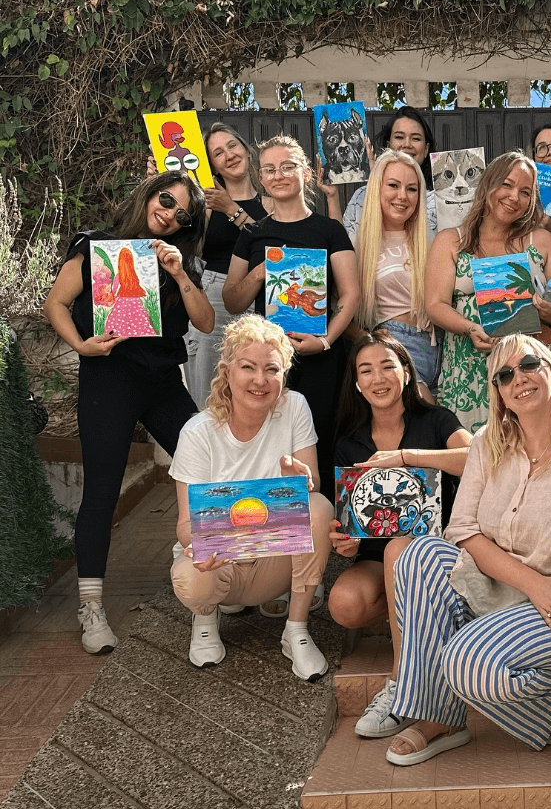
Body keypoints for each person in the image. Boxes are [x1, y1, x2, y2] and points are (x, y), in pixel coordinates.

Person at [376, 334, 551, 765]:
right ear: (498, 392)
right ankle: (440, 718)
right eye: (505, 375)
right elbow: (463, 530)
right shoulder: (487, 442)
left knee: (465, 663)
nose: (519, 379)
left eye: (529, 365)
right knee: (417, 556)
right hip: (503, 586)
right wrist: (532, 583)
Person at [43, 173, 213, 654]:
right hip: (109, 380)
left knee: (208, 468)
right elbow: (56, 302)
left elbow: (205, 322)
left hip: (162, 384)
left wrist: (179, 273)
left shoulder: (179, 260)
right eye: (167, 199)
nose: (170, 213)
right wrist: (81, 345)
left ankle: (217, 574)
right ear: (149, 194)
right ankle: (91, 606)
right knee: (101, 491)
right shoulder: (96, 244)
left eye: (183, 214)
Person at [169, 316, 333, 681]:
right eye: (248, 367)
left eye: (271, 369)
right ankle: (205, 617)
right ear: (227, 371)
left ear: (283, 375)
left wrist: (298, 482)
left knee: (320, 507)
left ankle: (296, 629)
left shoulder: (294, 407)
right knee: (190, 578)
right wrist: (203, 547)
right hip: (222, 562)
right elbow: (185, 525)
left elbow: (313, 487)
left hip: (274, 559)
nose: (260, 380)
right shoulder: (197, 432)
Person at [326, 331, 472, 738]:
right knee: (344, 604)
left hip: (440, 550)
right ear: (357, 382)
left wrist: (408, 457)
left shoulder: (436, 420)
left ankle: (401, 681)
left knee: (401, 548)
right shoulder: (349, 442)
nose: (378, 378)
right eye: (366, 370)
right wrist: (346, 542)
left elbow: (476, 457)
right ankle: (426, 632)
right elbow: (350, 521)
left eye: (387, 366)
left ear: (406, 372)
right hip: (379, 558)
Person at [223, 134, 360, 503]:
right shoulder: (252, 233)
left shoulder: (329, 230)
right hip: (265, 359)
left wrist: (325, 341)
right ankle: (271, 515)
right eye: (269, 169)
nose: (278, 175)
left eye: (287, 167)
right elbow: (233, 301)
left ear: (305, 173)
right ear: (261, 178)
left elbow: (351, 294)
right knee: (265, 437)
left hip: (319, 355)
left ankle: (321, 516)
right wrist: (260, 272)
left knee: (320, 437)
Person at [426, 150, 551, 432]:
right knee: (481, 454)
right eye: (507, 185)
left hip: (536, 370)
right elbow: (435, 305)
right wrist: (470, 328)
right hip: (471, 370)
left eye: (525, 192)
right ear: (488, 185)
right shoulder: (450, 241)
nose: (514, 197)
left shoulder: (541, 240)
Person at [183, 123, 270, 409]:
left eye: (232, 146)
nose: (229, 155)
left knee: (259, 391)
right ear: (213, 166)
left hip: (264, 295)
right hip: (214, 295)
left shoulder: (271, 201)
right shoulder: (205, 204)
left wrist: (232, 209)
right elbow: (186, 247)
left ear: (247, 149)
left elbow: (271, 248)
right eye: (218, 153)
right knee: (208, 396)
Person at [344, 150, 439, 388]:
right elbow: (339, 309)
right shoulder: (359, 245)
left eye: (411, 189)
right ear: (377, 188)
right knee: (421, 406)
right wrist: (372, 342)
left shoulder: (431, 239)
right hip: (394, 341)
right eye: (393, 185)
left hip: (442, 345)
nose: (402, 196)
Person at [322, 107, 438, 242]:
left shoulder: (439, 200)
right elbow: (342, 246)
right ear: (388, 146)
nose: (407, 144)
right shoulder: (361, 196)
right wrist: (332, 196)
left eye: (416, 138)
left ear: (426, 149)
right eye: (399, 137)